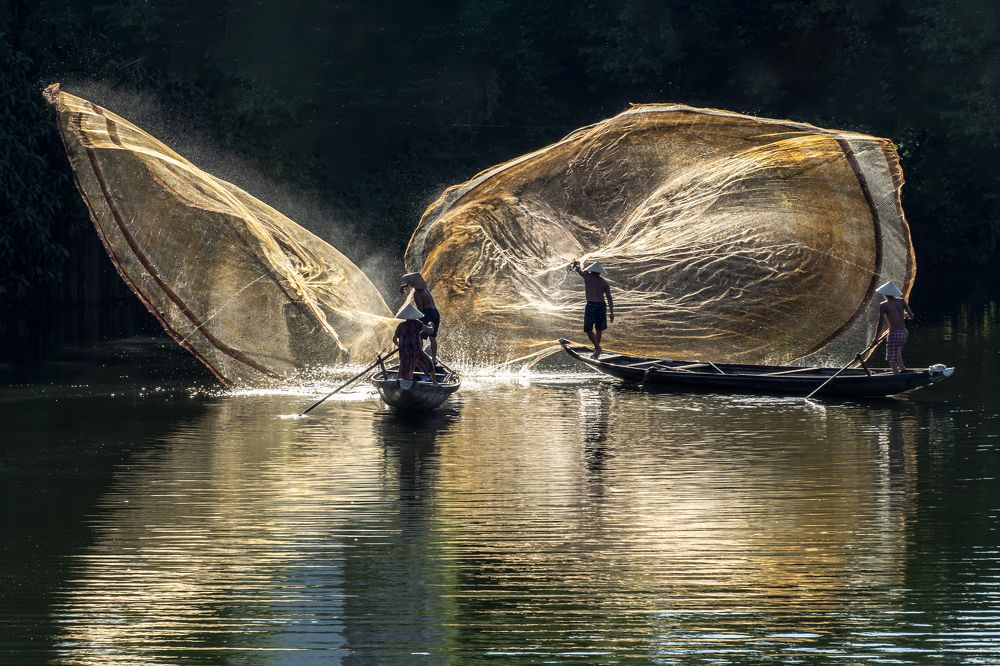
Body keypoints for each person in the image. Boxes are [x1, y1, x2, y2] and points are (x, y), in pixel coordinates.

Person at [570, 259, 615, 358]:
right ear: (600, 272)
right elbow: (609, 298)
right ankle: (597, 349)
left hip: (591, 306)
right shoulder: (604, 282)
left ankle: (597, 348)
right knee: (599, 329)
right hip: (601, 306)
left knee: (588, 329)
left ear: (592, 270)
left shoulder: (587, 277)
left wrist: (576, 264)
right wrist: (612, 313)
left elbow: (578, 269)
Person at [871, 281, 914, 374]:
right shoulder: (902, 301)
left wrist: (876, 338)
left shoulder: (884, 305)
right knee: (897, 352)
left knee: (891, 358)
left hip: (894, 334)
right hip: (904, 333)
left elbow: (880, 322)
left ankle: (897, 376)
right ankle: (903, 369)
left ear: (885, 294)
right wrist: (905, 316)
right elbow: (911, 316)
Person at [399, 272, 441, 366]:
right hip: (435, 313)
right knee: (432, 338)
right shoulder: (425, 289)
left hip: (427, 313)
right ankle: (434, 360)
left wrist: (414, 321)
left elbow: (420, 310)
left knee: (418, 336)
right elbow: (415, 284)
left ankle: (420, 358)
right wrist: (404, 286)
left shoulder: (417, 294)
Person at [393, 303, 439, 384]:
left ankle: (401, 384)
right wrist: (431, 325)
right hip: (416, 352)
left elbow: (394, 339)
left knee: (404, 370)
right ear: (415, 316)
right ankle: (434, 382)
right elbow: (430, 331)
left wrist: (401, 347)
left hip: (404, 353)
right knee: (429, 364)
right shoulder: (417, 323)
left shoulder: (401, 325)